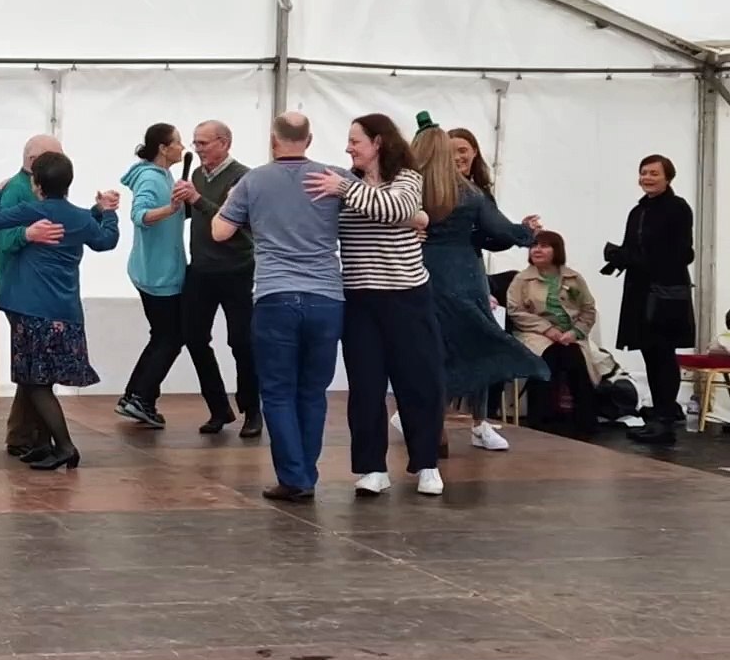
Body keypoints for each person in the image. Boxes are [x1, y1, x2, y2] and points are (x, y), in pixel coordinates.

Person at [303, 115, 445, 497]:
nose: (349, 148)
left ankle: (426, 463)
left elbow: (397, 209)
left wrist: (348, 191)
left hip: (407, 296)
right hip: (359, 299)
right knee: (365, 386)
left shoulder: (406, 179)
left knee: (418, 382)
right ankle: (371, 467)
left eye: (355, 141)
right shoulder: (345, 184)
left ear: (378, 142)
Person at [212, 113, 345, 502]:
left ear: (273, 140)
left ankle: (294, 477)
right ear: (310, 138)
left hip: (275, 296)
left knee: (278, 391)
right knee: (313, 391)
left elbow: (220, 231)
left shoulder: (253, 181)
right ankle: (308, 471)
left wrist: (238, 207)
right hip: (327, 297)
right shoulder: (334, 178)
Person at [409, 115, 547, 452]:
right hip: (463, 275)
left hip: (419, 272)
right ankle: (475, 421)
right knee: (479, 344)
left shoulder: (410, 187)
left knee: (431, 349)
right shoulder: (469, 193)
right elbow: (497, 233)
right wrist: (526, 234)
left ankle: (432, 423)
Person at [0, 151, 121, 470]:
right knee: (38, 379)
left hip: (32, 309)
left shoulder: (33, 210)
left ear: (37, 184)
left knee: (37, 382)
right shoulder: (81, 218)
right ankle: (43, 444)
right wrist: (107, 212)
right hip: (65, 310)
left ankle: (66, 446)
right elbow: (105, 241)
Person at [603, 153, 695, 444]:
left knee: (664, 354)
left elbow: (682, 252)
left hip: (665, 293)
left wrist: (634, 257)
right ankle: (658, 415)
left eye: (654, 173)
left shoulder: (677, 208)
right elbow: (635, 247)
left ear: (668, 177)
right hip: (640, 291)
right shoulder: (638, 211)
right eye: (643, 172)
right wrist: (618, 258)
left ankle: (666, 419)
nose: (647, 178)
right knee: (649, 353)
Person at [116, 123, 200, 429]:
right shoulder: (151, 178)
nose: (183, 147)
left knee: (163, 336)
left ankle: (137, 396)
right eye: (177, 142)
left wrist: (183, 207)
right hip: (158, 275)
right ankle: (140, 397)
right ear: (163, 148)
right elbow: (140, 216)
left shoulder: (163, 176)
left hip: (158, 270)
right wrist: (171, 208)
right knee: (171, 337)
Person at [181, 120, 260, 438]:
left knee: (242, 342)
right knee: (194, 338)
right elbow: (199, 214)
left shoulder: (244, 178)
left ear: (224, 143)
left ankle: (252, 410)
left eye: (204, 143)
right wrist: (184, 203)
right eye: (195, 143)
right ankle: (218, 407)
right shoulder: (197, 175)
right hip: (201, 268)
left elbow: (240, 223)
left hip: (236, 269)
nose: (197, 149)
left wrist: (198, 200)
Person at [0, 135, 67, 457]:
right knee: (36, 370)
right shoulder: (18, 192)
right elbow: (2, 238)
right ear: (35, 161)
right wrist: (26, 234)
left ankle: (25, 434)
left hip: (36, 291)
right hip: (23, 291)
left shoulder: (40, 189)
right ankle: (34, 436)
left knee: (33, 368)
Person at [507, 231, 604, 438]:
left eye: (544, 246)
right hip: (534, 333)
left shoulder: (574, 278)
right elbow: (516, 312)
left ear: (557, 250)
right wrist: (546, 329)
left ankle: (585, 423)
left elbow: (588, 310)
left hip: (568, 334)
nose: (537, 250)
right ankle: (541, 422)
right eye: (534, 246)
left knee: (575, 359)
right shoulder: (522, 280)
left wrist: (575, 332)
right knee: (549, 357)